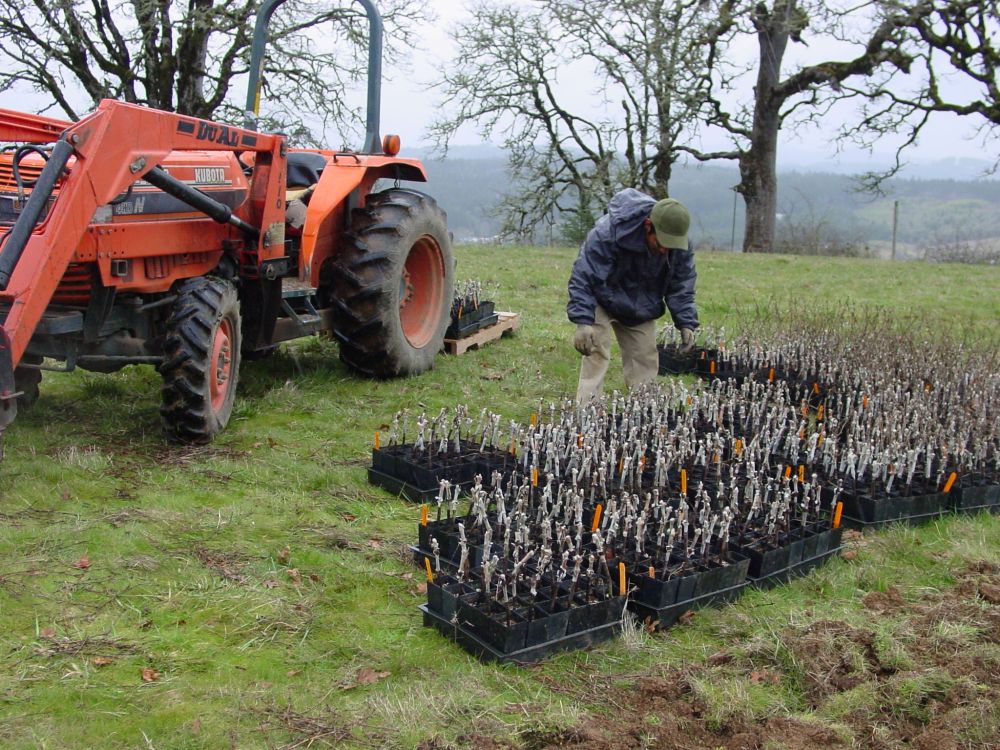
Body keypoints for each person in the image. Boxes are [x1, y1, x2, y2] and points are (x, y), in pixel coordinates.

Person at [567, 188, 698, 403]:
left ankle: (643, 411)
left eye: (670, 246)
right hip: (601, 297)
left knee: (644, 359)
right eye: (661, 243)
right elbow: (584, 276)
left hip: (641, 304)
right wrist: (583, 321)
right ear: (648, 226)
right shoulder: (607, 234)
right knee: (596, 352)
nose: (664, 251)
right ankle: (587, 411)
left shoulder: (677, 243)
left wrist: (686, 322)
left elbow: (681, 284)